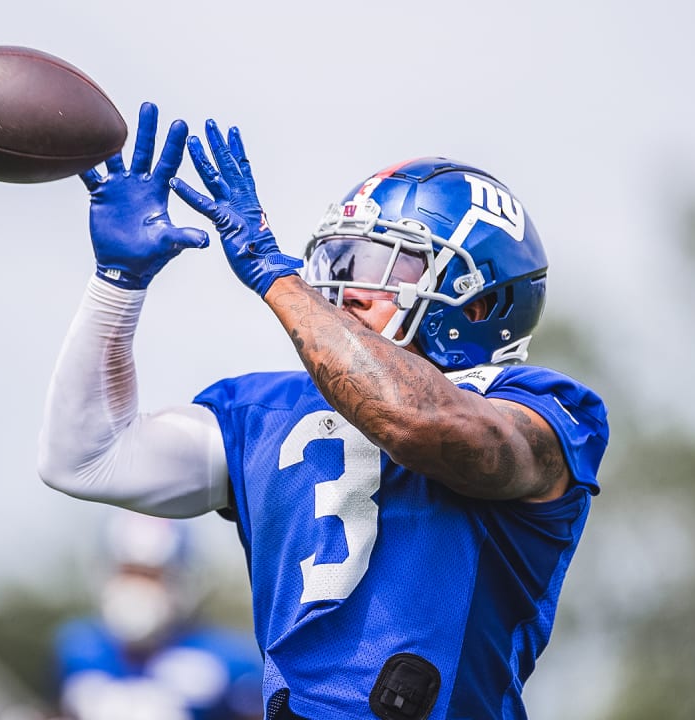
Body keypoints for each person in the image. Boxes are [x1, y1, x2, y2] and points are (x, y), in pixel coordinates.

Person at [37, 102, 610, 720]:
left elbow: (420, 423)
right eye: (342, 262)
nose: (348, 288)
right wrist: (116, 285)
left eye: (384, 264)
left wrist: (277, 276)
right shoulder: (265, 410)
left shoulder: (544, 409)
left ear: (476, 301)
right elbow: (87, 458)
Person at [53, 510, 263, 720]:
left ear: (182, 580)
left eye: (151, 575)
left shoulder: (230, 661)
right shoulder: (77, 647)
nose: (136, 588)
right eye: (129, 571)